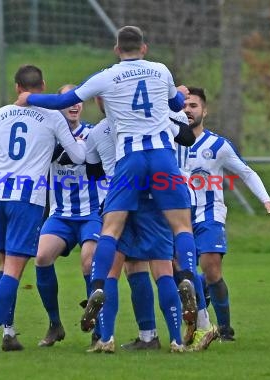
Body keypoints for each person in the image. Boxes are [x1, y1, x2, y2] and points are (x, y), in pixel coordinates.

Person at [16, 26, 199, 344]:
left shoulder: (106, 79)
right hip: (162, 157)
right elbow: (177, 106)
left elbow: (65, 99)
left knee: (111, 232)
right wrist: (180, 96)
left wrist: (29, 97)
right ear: (144, 47)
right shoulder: (160, 70)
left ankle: (99, 285)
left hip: (130, 161)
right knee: (181, 229)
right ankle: (185, 278)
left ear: (117, 49)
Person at [0, 65, 86, 353]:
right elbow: (75, 155)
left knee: (3, 265)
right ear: (44, 85)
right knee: (14, 269)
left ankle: (9, 333)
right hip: (27, 199)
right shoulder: (51, 116)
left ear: (16, 87)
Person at [85, 98, 197, 353]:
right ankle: (174, 340)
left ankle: (107, 338)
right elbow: (187, 137)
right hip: (154, 200)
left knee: (113, 272)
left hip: (120, 201)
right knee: (162, 270)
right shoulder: (152, 124)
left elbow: (92, 173)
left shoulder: (99, 130)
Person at [178, 87, 270, 342]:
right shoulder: (167, 142)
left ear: (204, 110)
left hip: (210, 214)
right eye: (184, 106)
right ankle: (200, 314)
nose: (188, 110)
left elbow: (246, 172)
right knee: (185, 275)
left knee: (211, 269)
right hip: (177, 217)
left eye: (193, 106)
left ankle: (224, 329)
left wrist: (266, 200)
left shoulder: (218, 145)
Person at [35, 84, 104, 348]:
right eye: (69, 101)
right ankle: (55, 324)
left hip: (90, 215)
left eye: (78, 102)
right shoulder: (50, 134)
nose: (74, 105)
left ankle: (98, 326)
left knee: (89, 263)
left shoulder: (93, 134)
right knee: (41, 257)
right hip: (61, 215)